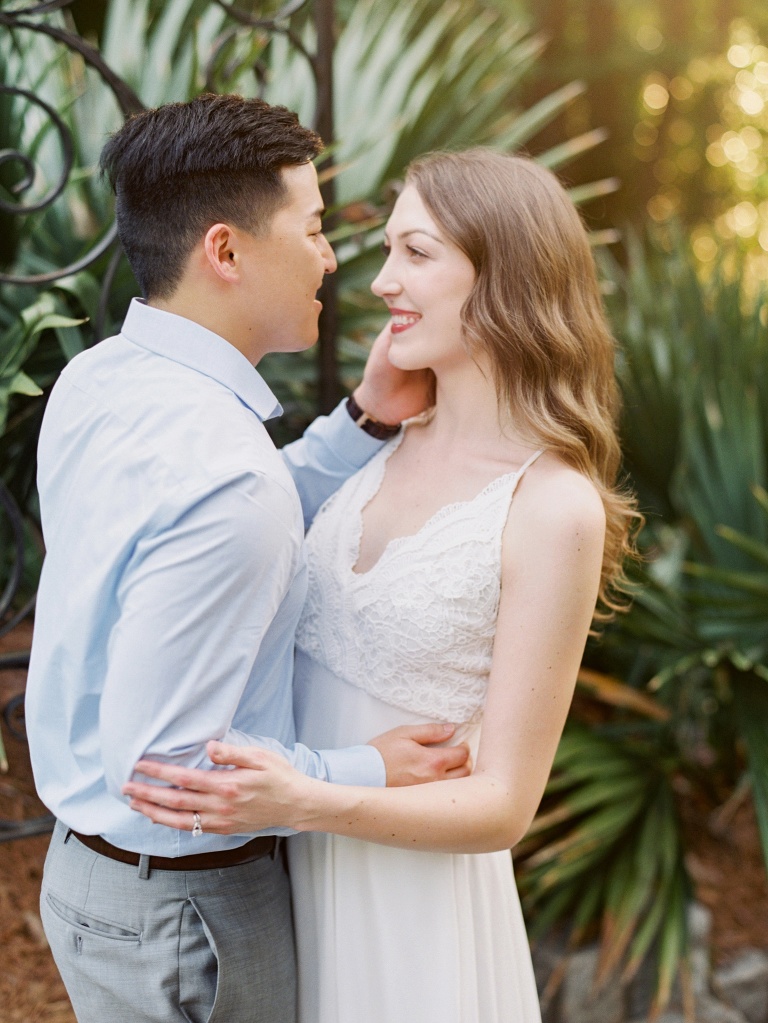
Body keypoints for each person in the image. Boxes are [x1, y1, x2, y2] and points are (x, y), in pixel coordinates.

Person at [124, 148, 639, 1023]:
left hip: (407, 911)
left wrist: (305, 796)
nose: (381, 281)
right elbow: (230, 534)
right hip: (284, 881)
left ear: (505, 272)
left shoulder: (554, 507)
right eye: (389, 250)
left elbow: (503, 804)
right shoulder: (389, 439)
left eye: (417, 253)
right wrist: (367, 414)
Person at [24, 95, 472, 1023]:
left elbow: (213, 511)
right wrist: (366, 768)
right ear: (225, 251)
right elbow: (170, 767)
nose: (334, 257)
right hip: (189, 920)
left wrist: (360, 422)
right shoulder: (225, 479)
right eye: (312, 228)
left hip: (87, 880)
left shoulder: (99, 378)